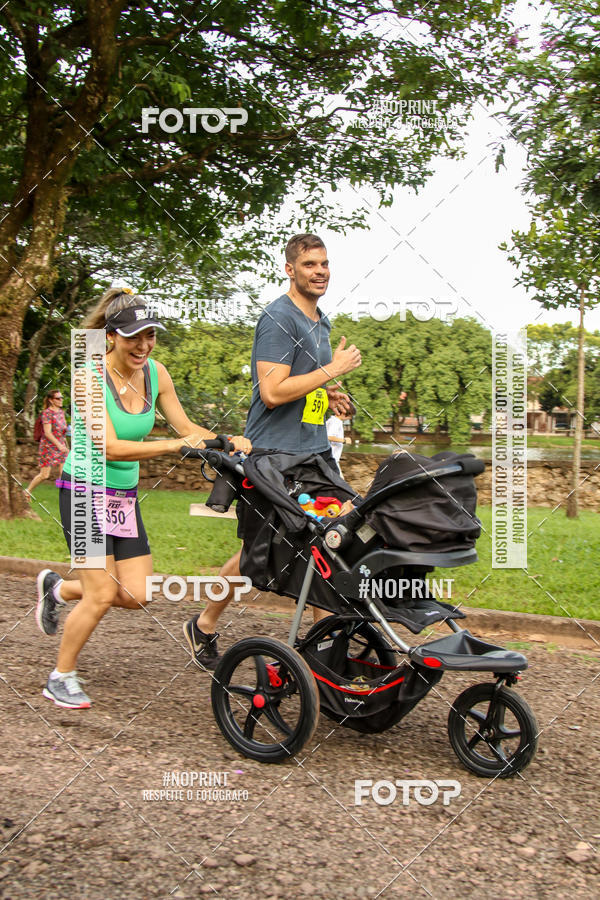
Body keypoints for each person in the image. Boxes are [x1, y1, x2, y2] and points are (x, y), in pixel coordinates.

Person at [36, 288, 251, 709]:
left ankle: (59, 590)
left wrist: (226, 440)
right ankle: (60, 677)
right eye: (133, 336)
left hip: (121, 497)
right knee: (101, 593)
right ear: (110, 336)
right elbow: (111, 448)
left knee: (137, 594)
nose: (143, 345)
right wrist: (173, 447)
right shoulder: (88, 378)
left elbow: (186, 427)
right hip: (83, 492)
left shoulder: (156, 373)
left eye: (150, 335)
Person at [183, 233, 362, 669]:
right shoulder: (278, 319)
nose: (320, 271)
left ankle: (323, 649)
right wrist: (332, 369)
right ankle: (204, 624)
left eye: (324, 263)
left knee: (330, 538)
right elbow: (273, 391)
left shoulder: (321, 322)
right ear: (289, 269)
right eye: (310, 264)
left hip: (313, 453)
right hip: (274, 457)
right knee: (259, 551)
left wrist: (330, 393)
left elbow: (305, 383)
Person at [25, 391, 68, 499]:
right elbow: (48, 433)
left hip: (61, 446)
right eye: (58, 398)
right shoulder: (47, 413)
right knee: (44, 475)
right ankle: (27, 492)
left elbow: (62, 432)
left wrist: (65, 446)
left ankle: (64, 498)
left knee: (64, 473)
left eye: (61, 397)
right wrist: (59, 445)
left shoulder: (61, 412)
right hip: (48, 447)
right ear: (51, 400)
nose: (61, 400)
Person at [325, 409, 354, 477]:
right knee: (339, 481)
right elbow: (329, 436)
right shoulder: (336, 422)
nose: (350, 418)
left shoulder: (332, 420)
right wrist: (344, 440)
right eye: (350, 416)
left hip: (330, 458)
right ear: (343, 413)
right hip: (332, 459)